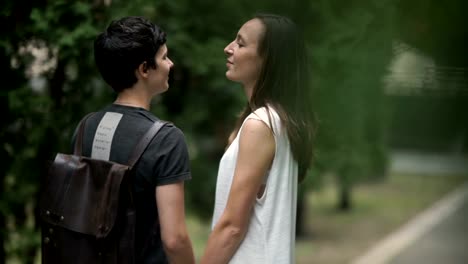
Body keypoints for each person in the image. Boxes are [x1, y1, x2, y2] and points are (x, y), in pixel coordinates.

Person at [73, 16, 195, 263]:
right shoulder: (167, 139)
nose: (170, 64)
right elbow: (175, 240)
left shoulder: (86, 127)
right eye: (164, 57)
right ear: (144, 69)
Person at [201, 13, 314, 264]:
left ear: (268, 61)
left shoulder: (259, 124)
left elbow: (232, 227)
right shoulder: (283, 120)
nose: (228, 48)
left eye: (241, 44)